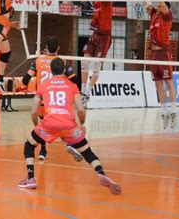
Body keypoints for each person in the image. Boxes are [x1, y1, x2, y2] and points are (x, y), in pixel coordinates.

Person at [18, 58, 121, 195]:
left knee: (29, 145)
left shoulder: (44, 85)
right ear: (65, 70)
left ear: (51, 70)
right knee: (86, 151)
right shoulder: (72, 86)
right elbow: (81, 110)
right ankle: (101, 173)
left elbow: (34, 111)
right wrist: (82, 123)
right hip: (69, 125)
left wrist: (37, 127)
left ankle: (31, 178)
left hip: (49, 124)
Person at [132, 0, 177, 129]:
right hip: (153, 53)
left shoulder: (166, 16)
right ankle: (164, 111)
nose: (157, 5)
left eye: (160, 5)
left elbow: (159, 0)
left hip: (164, 52)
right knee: (158, 84)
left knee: (169, 82)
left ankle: (173, 110)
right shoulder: (153, 15)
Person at [22, 36, 78, 161]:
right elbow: (74, 80)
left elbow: (26, 79)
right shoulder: (61, 62)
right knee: (62, 121)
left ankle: (43, 150)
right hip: (55, 100)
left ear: (45, 47)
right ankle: (70, 143)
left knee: (44, 125)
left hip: (41, 101)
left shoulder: (37, 61)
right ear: (58, 48)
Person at [71, 0, 113, 106]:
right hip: (95, 35)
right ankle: (83, 92)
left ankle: (88, 91)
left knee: (96, 65)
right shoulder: (96, 0)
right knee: (84, 61)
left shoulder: (107, 2)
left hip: (105, 37)